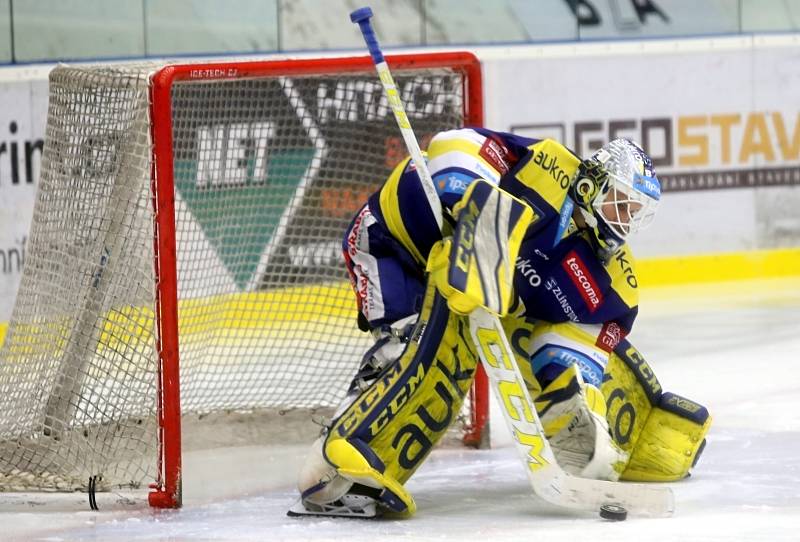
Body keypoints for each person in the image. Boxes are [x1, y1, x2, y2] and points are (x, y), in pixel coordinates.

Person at [290, 128, 711, 518]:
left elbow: (578, 340)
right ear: (591, 185)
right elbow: (454, 144)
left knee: (513, 355)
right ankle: (333, 469)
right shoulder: (546, 166)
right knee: (409, 343)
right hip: (392, 244)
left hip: (481, 285)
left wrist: (569, 391)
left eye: (636, 212)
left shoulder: (614, 282)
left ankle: (640, 436)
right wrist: (468, 210)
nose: (626, 220)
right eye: (621, 202)